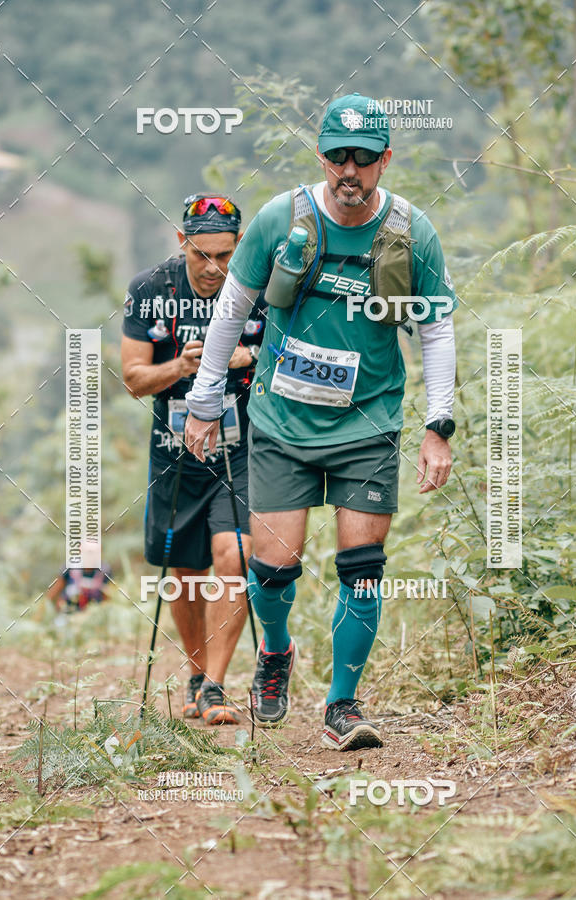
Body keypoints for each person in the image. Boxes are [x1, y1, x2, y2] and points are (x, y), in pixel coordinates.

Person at [184, 93, 457, 750]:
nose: (349, 170)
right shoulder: (282, 218)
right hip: (281, 425)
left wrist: (437, 424)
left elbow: (437, 328)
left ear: (386, 159)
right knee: (274, 570)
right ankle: (275, 654)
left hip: (368, 425)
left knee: (362, 567)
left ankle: (342, 704)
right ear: (321, 155)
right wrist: (203, 403)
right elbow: (231, 313)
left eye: (364, 157)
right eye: (338, 155)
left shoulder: (411, 232)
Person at [121, 194, 265, 724]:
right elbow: (134, 379)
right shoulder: (150, 290)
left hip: (245, 446)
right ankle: (197, 673)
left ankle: (218, 687)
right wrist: (180, 365)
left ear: (238, 247)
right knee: (185, 571)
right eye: (202, 254)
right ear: (182, 241)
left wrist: (247, 355)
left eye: (225, 255)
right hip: (175, 451)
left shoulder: (260, 282)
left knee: (236, 554)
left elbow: (293, 348)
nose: (214, 268)